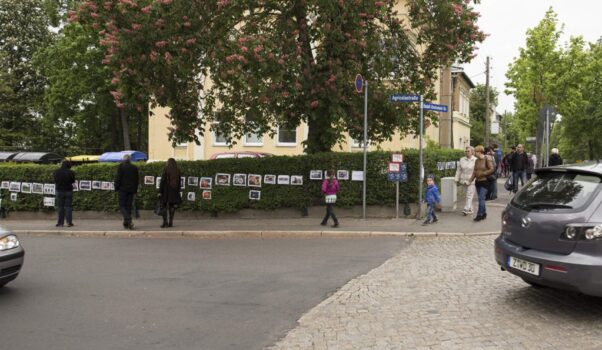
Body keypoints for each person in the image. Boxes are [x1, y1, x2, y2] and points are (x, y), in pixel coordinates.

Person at [469, 145, 495, 222]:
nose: (474, 153)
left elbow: (492, 169)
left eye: (475, 152)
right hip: (478, 182)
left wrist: (483, 173)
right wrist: (470, 180)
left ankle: (479, 215)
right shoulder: (476, 160)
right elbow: (474, 171)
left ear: (479, 152)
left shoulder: (487, 158)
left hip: (485, 181)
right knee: (481, 199)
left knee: (481, 198)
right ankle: (484, 213)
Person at [115, 154, 139, 229]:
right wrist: (135, 190)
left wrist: (116, 187)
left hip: (122, 189)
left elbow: (118, 178)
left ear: (124, 159)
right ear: (130, 159)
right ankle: (126, 223)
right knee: (128, 207)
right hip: (131, 190)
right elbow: (136, 180)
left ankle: (128, 219)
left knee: (122, 206)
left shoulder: (121, 167)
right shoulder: (134, 167)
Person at [159, 158, 182, 228]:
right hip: (174, 190)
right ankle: (170, 222)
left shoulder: (166, 169)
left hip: (166, 191)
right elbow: (179, 182)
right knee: (172, 206)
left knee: (164, 206)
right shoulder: (177, 170)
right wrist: (178, 190)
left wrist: (160, 191)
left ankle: (165, 222)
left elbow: (162, 181)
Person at [454, 146, 476, 216]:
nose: (466, 152)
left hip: (472, 179)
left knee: (469, 195)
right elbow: (459, 170)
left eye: (468, 151)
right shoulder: (462, 159)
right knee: (466, 195)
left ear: (472, 152)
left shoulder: (475, 160)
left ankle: (466, 209)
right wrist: (456, 178)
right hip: (463, 179)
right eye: (466, 151)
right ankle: (470, 208)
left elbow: (476, 171)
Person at [53, 160, 76, 227]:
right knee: (68, 207)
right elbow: (73, 181)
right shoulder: (71, 172)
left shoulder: (56, 172)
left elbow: (55, 180)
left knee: (60, 207)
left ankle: (60, 223)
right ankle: (69, 222)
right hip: (68, 191)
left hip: (59, 191)